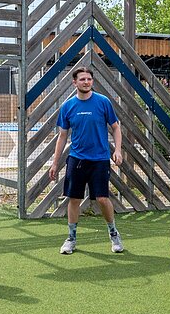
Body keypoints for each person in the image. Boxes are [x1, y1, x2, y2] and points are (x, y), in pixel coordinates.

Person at [48, 65, 124, 254]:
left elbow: (115, 127)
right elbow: (62, 136)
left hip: (100, 159)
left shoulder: (103, 102)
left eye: (89, 79)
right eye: (82, 79)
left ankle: (114, 234)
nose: (86, 82)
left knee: (102, 198)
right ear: (75, 82)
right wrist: (55, 162)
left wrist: (118, 150)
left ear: (92, 81)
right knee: (73, 199)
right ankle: (71, 239)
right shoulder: (68, 106)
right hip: (77, 159)